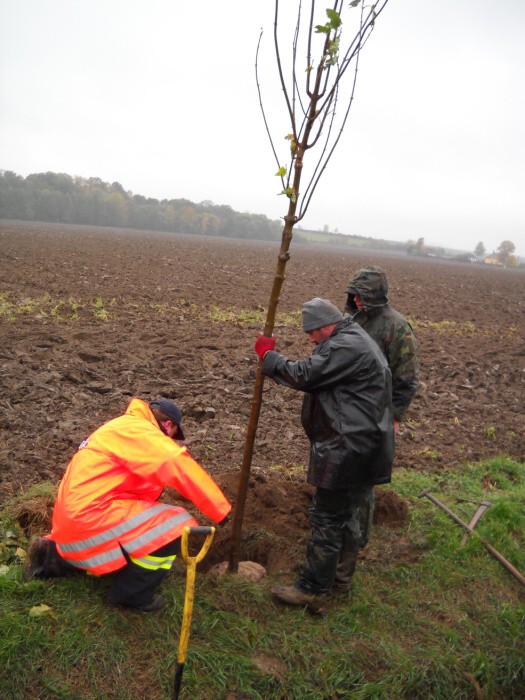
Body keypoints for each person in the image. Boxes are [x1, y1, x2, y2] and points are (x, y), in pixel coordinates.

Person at [24, 397, 231, 612]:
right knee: (176, 522)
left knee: (140, 522)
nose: (171, 441)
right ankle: (131, 594)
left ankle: (53, 558)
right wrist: (221, 509)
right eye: (172, 436)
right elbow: (175, 463)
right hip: (89, 519)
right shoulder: (141, 431)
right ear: (169, 425)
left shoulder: (120, 427)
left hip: (68, 526)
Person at [254, 298, 394, 606]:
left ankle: (312, 588)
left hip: (348, 448)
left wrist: (269, 357)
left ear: (326, 326)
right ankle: (340, 581)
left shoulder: (346, 346)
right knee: (347, 517)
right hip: (366, 447)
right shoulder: (352, 338)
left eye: (312, 333)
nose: (311, 340)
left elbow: (305, 375)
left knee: (327, 517)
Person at [344, 266, 419, 431]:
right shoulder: (350, 321)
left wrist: (394, 416)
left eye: (361, 294)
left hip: (377, 412)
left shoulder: (397, 327)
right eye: (352, 293)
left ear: (374, 296)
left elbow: (406, 376)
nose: (355, 298)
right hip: (346, 407)